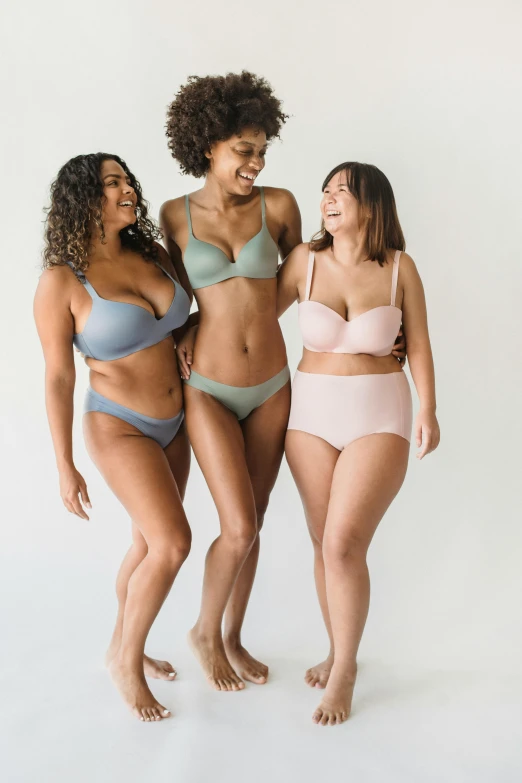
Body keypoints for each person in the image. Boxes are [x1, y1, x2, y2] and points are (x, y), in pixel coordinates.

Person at [277, 161, 440, 726]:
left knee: (344, 543)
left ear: (373, 203)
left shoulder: (400, 268)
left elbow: (417, 343)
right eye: (324, 191)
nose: (328, 199)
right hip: (309, 418)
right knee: (324, 541)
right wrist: (192, 334)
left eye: (341, 191)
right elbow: (247, 319)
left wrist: (429, 411)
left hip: (380, 412)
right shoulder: (302, 260)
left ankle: (344, 668)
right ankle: (334, 648)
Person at [34, 153, 191, 722]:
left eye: (127, 179)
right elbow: (57, 376)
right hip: (118, 424)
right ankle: (126, 662)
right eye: (112, 183)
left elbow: (182, 319)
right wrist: (64, 465)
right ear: (83, 198)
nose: (128, 188)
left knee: (149, 545)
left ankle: (124, 644)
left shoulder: (148, 252)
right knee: (173, 543)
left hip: (177, 423)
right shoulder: (60, 281)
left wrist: (188, 337)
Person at [160, 71, 303, 690]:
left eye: (263, 149)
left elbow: (311, 277)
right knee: (236, 524)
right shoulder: (173, 214)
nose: (257, 161)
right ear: (209, 144)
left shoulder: (280, 205)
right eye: (245, 149)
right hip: (210, 389)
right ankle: (202, 631)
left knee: (255, 524)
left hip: (271, 382)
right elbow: (166, 300)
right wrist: (185, 330)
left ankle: (234, 637)